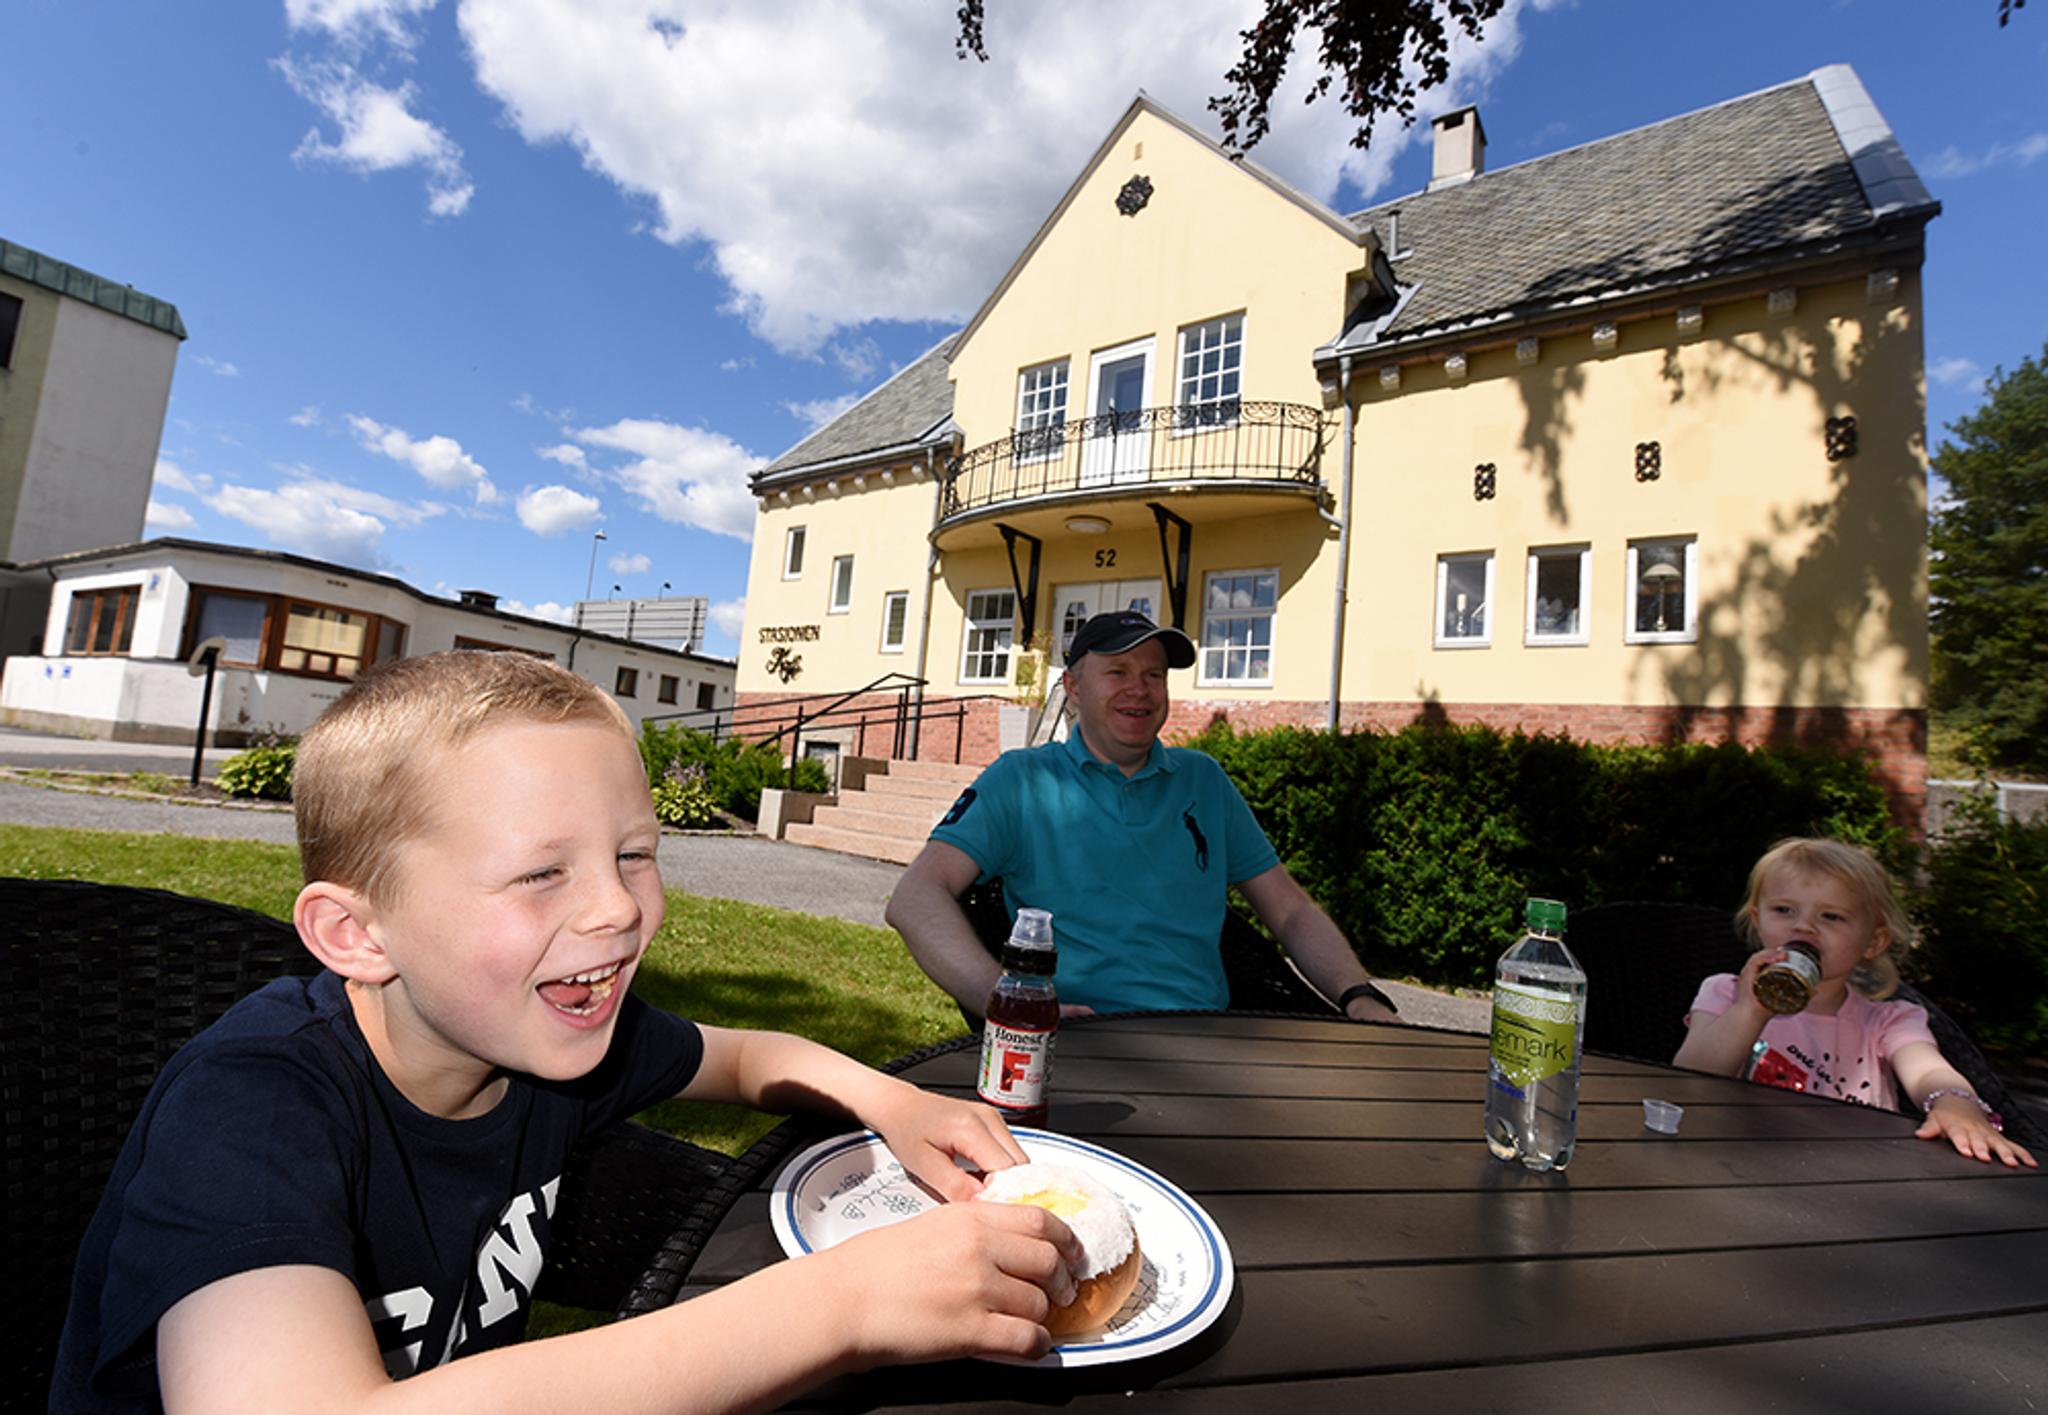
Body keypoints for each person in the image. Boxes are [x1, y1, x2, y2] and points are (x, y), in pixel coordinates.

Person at [52, 651, 1083, 1415]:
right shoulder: (256, 1105)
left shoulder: (547, 1043)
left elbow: (751, 1054)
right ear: (356, 932)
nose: (617, 909)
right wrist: (843, 1303)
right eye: (542, 871)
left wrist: (891, 1101)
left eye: (634, 852)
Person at [887, 609, 1398, 1023]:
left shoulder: (1204, 781)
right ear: (1074, 687)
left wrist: (1358, 994)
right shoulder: (1021, 781)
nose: (1141, 689)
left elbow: (1290, 912)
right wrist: (1002, 1000)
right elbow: (914, 897)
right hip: (1080, 1039)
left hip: (1207, 1039)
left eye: (1154, 674)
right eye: (1118, 672)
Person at [1672, 836, 2035, 1168]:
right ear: (1758, 919)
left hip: (1857, 1173)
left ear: (1873, 942)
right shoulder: (1726, 993)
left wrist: (1955, 1103)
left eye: (1831, 916)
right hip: (1741, 1162)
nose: (1803, 927)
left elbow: (1927, 1070)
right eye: (1784, 910)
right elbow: (1690, 1080)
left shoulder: (1889, 1020)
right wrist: (1749, 1011)